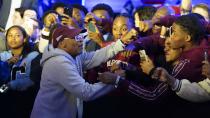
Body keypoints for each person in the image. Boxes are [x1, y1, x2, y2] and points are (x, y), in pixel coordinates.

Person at [30, 25, 137, 118]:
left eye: (81, 37)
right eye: (76, 37)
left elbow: (97, 56)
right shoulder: (58, 62)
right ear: (62, 44)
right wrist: (115, 80)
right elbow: (86, 92)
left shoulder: (74, 56)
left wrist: (122, 42)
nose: (81, 40)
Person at [0, 25, 39, 118]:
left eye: (17, 35)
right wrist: (6, 63)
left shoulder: (33, 56)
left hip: (24, 101)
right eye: (10, 35)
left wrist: (9, 86)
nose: (13, 39)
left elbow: (31, 80)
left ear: (24, 39)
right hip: (4, 101)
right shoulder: (2, 56)